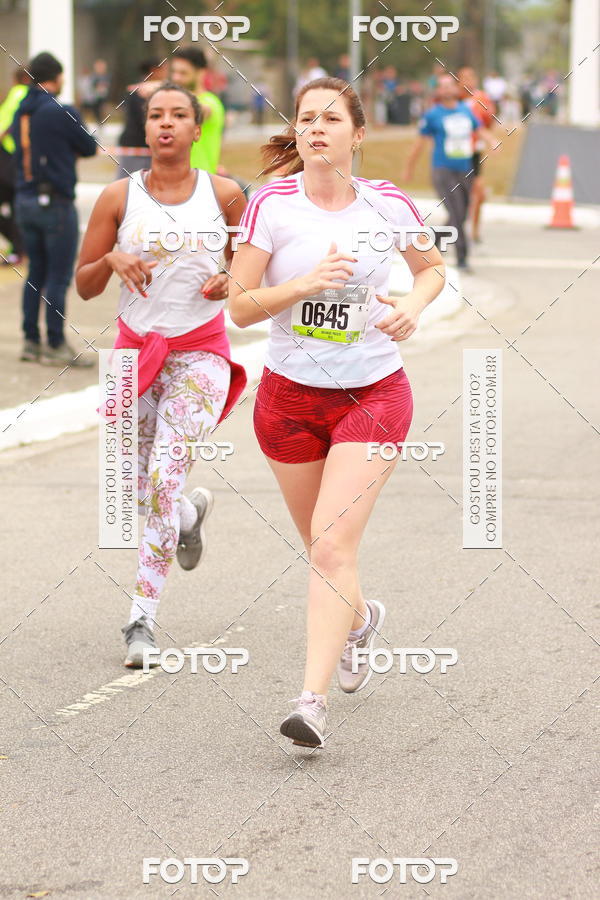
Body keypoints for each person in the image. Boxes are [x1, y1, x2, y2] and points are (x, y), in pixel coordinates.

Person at [229, 77, 446, 749]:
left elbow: (432, 269)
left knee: (329, 545)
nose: (316, 128)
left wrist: (412, 306)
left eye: (330, 118)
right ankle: (358, 623)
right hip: (288, 400)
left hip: (372, 394)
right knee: (324, 548)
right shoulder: (271, 205)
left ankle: (310, 703)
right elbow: (239, 306)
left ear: (358, 134)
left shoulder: (388, 203)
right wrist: (304, 284)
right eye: (305, 119)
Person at [75, 82, 247, 667]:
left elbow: (252, 268)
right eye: (155, 115)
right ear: (145, 129)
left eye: (178, 115)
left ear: (197, 130)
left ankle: (140, 621)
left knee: (162, 479)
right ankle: (189, 516)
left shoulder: (224, 194)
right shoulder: (117, 197)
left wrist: (231, 280)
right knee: (137, 487)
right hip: (134, 357)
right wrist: (109, 259)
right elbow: (84, 285)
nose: (166, 123)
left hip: (200, 354)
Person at [10, 52, 97, 365]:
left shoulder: (21, 110)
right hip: (56, 203)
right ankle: (56, 344)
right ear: (57, 77)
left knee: (35, 273)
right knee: (58, 277)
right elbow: (89, 147)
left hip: (24, 200)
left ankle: (30, 342)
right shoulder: (61, 111)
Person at [403, 73, 493, 271]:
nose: (446, 89)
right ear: (438, 91)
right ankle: (462, 258)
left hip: (465, 169)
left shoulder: (465, 110)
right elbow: (419, 144)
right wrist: (409, 168)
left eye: (449, 85)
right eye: (442, 86)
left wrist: (492, 141)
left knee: (461, 214)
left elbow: (479, 129)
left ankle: (433, 243)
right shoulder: (433, 115)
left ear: (455, 88)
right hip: (443, 170)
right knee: (456, 212)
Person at [171, 47, 225, 174]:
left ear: (201, 73)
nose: (176, 78)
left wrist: (163, 89)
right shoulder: (173, 101)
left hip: (201, 180)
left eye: (183, 73)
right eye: (174, 72)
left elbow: (199, 111)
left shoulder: (210, 102)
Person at [457, 66, 495, 243]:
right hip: (456, 153)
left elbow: (489, 122)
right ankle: (456, 227)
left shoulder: (481, 98)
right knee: (459, 195)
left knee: (479, 192)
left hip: (474, 152)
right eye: (464, 78)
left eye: (471, 77)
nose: (468, 81)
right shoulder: (453, 99)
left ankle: (475, 230)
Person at [116, 58, 168, 179]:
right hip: (137, 146)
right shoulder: (140, 91)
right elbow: (145, 119)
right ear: (154, 70)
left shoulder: (139, 88)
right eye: (164, 69)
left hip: (141, 146)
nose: (166, 73)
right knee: (130, 184)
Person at [0, 66, 30, 265]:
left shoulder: (17, 93)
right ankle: (19, 248)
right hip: (12, 157)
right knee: (15, 204)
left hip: (7, 156)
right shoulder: (24, 94)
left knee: (13, 204)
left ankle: (18, 249)